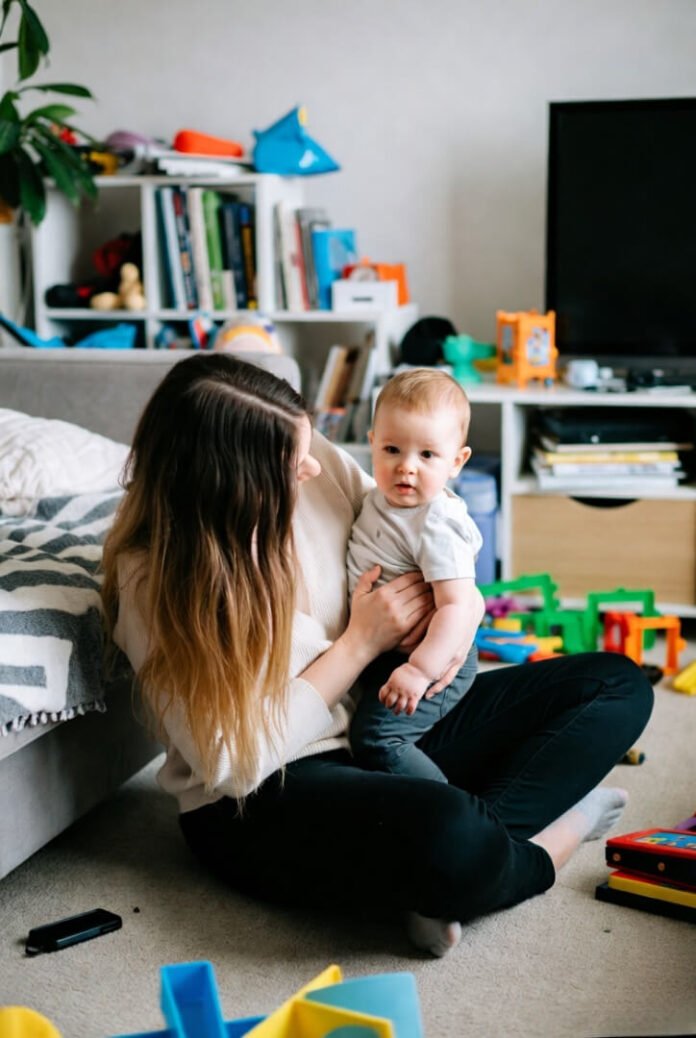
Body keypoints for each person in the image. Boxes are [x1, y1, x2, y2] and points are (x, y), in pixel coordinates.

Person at [102, 352, 653, 959]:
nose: (315, 465)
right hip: (265, 794)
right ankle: (549, 841)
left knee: (616, 685)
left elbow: (431, 529)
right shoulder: (155, 581)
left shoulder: (324, 470)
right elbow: (237, 762)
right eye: (293, 461)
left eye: (310, 444)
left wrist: (458, 612)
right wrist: (359, 642)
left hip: (382, 718)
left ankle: (448, 864)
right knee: (452, 834)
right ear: (233, 483)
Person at [347, 368, 483, 782]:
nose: (406, 467)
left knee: (376, 738)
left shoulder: (437, 523)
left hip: (432, 659)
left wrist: (420, 669)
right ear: (371, 444)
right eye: (392, 449)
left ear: (456, 461)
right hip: (387, 651)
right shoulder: (379, 496)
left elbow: (458, 606)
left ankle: (451, 813)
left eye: (427, 455)